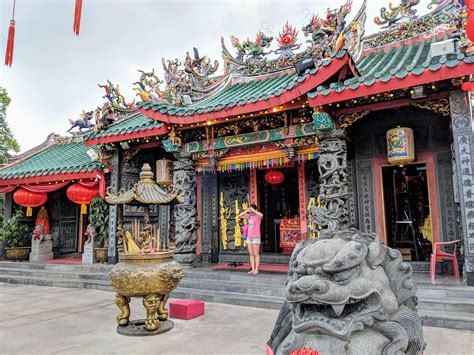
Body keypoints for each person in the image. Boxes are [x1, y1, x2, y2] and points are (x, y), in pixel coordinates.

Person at [239, 203, 263, 275]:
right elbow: (240, 216)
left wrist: (254, 211)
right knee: (251, 254)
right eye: (251, 211)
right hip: (249, 237)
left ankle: (256, 269)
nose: (251, 212)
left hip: (256, 237)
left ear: (255, 210)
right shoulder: (248, 216)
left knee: (256, 254)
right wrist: (247, 210)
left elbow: (261, 215)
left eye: (252, 211)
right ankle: (252, 269)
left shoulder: (258, 216)